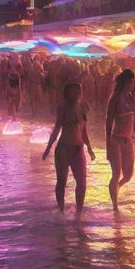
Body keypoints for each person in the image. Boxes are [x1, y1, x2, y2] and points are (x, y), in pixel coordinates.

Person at [42, 82, 95, 215]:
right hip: (63, 149)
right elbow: (57, 128)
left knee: (82, 184)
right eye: (73, 92)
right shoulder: (63, 107)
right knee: (62, 182)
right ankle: (61, 211)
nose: (76, 94)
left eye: (78, 91)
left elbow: (84, 131)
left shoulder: (83, 106)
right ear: (67, 94)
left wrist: (89, 148)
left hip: (78, 149)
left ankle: (79, 213)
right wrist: (48, 148)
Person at [106, 69, 135, 213]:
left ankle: (116, 190)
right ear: (124, 82)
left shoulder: (130, 97)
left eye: (133, 81)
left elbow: (133, 120)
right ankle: (115, 206)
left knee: (128, 175)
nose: (132, 84)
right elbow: (108, 120)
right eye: (130, 81)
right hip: (116, 139)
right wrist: (107, 142)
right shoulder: (116, 97)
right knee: (116, 172)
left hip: (129, 139)